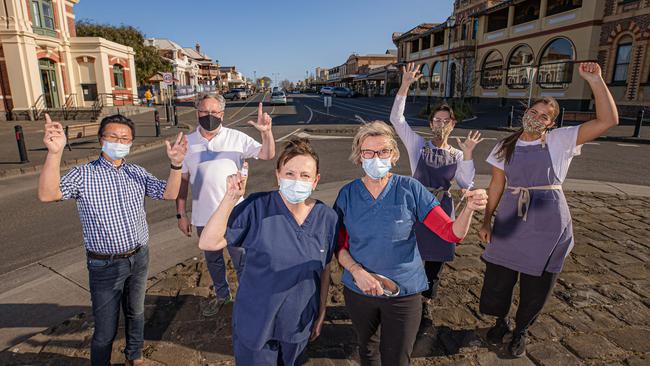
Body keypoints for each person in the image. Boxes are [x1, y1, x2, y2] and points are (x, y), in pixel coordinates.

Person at [478, 62, 618, 358]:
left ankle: (521, 330)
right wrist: (487, 220)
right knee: (498, 277)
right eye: (534, 112)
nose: (537, 118)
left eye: (545, 116)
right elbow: (496, 186)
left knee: (537, 283)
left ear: (551, 123)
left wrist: (596, 81)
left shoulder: (559, 141)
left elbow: (607, 121)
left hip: (548, 223)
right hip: (509, 220)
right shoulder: (506, 144)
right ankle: (500, 321)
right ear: (525, 113)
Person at [38, 114, 188, 366]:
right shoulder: (83, 174)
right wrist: (55, 153)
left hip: (139, 257)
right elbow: (47, 194)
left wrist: (176, 165)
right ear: (101, 139)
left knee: (136, 313)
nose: (119, 142)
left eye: (125, 138)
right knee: (105, 329)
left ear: (130, 143)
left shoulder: (136, 172)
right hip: (104, 265)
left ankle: (135, 357)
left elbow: (169, 192)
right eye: (113, 137)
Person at [334, 121, 487, 366]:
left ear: (394, 155)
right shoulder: (347, 194)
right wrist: (356, 272)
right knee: (368, 349)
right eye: (368, 152)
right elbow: (339, 246)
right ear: (359, 156)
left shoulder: (411, 189)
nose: (376, 157)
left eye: (383, 151)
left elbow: (451, 233)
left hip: (403, 293)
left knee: (398, 356)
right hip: (359, 289)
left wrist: (469, 209)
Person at [198, 138, 337, 365]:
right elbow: (208, 242)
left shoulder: (327, 218)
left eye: (305, 175)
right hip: (256, 321)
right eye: (290, 174)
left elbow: (325, 268)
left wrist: (321, 311)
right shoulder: (256, 207)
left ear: (315, 181)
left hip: (298, 323)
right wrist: (230, 197)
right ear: (278, 175)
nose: (297, 180)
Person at [390, 62, 482, 326]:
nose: (441, 124)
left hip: (441, 209)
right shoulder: (417, 145)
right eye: (437, 120)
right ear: (431, 123)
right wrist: (405, 84)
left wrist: (468, 153)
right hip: (416, 208)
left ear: (453, 124)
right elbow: (397, 120)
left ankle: (426, 303)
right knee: (411, 256)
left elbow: (466, 182)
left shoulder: (456, 153)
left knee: (436, 261)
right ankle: (406, 299)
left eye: (446, 121)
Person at [176, 94, 275, 317]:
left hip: (235, 215)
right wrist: (181, 214)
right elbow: (181, 183)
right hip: (203, 217)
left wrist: (266, 132)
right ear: (197, 113)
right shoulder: (187, 144)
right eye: (204, 112)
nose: (209, 116)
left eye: (214, 112)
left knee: (242, 259)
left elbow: (268, 154)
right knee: (213, 261)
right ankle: (223, 296)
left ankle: (248, 299)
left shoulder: (237, 138)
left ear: (222, 114)